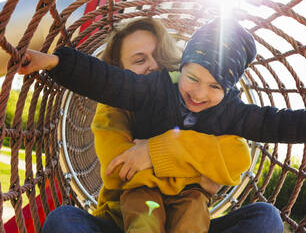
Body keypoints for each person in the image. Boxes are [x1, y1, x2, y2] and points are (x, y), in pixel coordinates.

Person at [23, 16, 306, 231]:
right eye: (139, 60)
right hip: (136, 206)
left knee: (264, 218)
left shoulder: (228, 109)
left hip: (189, 204)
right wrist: (55, 61)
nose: (200, 94)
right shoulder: (146, 92)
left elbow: (269, 131)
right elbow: (105, 88)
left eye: (215, 86)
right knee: (68, 221)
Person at [39, 17, 283, 233]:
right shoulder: (109, 112)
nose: (153, 65)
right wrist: (202, 173)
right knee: (63, 220)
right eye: (139, 59)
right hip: (124, 221)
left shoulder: (195, 100)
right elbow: (120, 171)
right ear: (119, 71)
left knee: (266, 218)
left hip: (191, 220)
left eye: (158, 55)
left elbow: (236, 156)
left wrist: (156, 152)